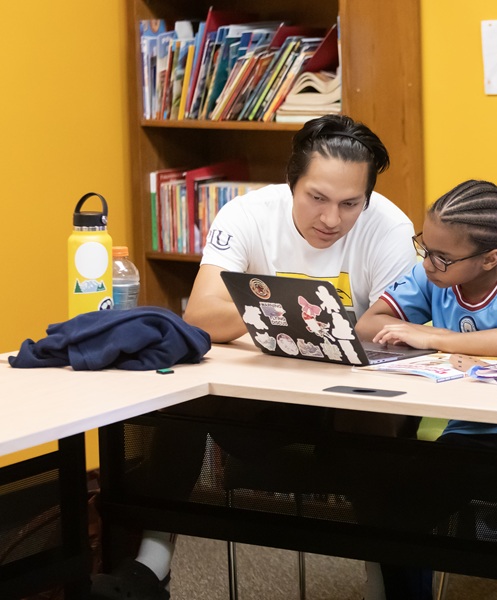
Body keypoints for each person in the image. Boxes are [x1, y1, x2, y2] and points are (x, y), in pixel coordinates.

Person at [91, 114, 419, 600]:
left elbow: (391, 332)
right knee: (183, 395)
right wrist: (290, 309)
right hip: (265, 392)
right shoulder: (246, 215)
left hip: (350, 399)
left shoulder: (389, 227)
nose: (332, 219)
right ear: (292, 183)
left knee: (368, 422)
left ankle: (384, 575)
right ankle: (152, 562)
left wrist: (255, 308)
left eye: (351, 203)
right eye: (317, 198)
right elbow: (202, 315)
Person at [354, 179, 497, 600]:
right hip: (469, 432)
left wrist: (432, 336)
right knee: (397, 512)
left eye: (442, 258)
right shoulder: (430, 277)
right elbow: (368, 326)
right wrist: (420, 333)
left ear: (490, 259)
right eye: (424, 247)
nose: (428, 264)